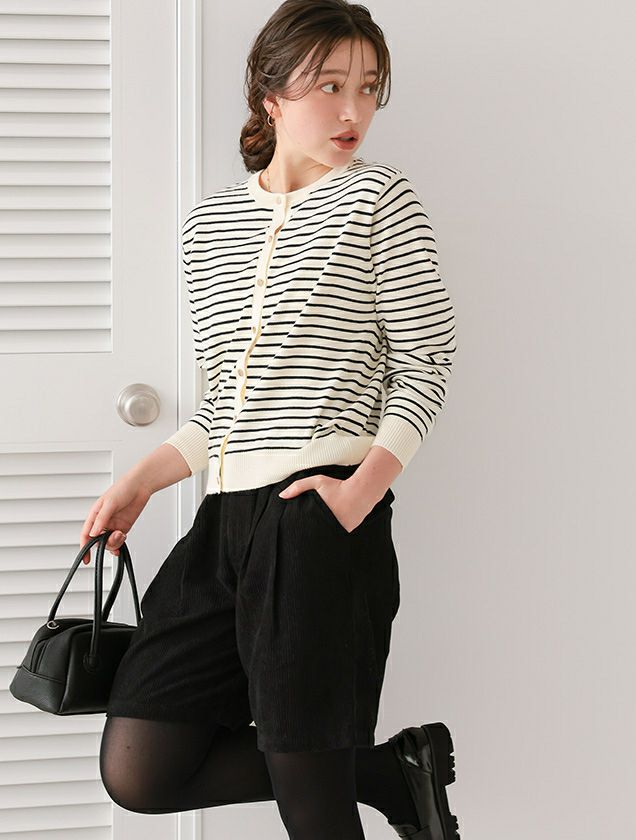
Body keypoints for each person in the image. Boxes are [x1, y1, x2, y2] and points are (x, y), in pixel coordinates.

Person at [81, 1, 459, 837]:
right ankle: (390, 772)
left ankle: (374, 774)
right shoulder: (209, 225)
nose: (354, 109)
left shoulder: (379, 200)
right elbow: (228, 402)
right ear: (270, 95)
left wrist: (358, 495)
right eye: (330, 86)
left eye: (369, 87)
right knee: (142, 768)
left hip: (319, 517)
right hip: (223, 521)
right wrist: (143, 480)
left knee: (312, 806)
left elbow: (426, 361)